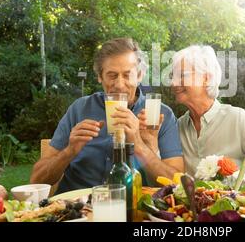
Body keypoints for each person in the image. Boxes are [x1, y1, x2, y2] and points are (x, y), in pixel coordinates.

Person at [30, 38, 184, 193]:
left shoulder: (159, 114)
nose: (119, 84)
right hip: (76, 208)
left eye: (127, 75)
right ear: (99, 76)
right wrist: (69, 151)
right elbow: (37, 180)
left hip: (131, 208)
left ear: (139, 75)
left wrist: (139, 144)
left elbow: (177, 184)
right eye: (112, 75)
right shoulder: (79, 109)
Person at [171, 45, 245, 176]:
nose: (174, 83)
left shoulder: (237, 118)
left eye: (182, 75)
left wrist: (233, 176)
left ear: (206, 78)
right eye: (172, 76)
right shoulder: (178, 127)